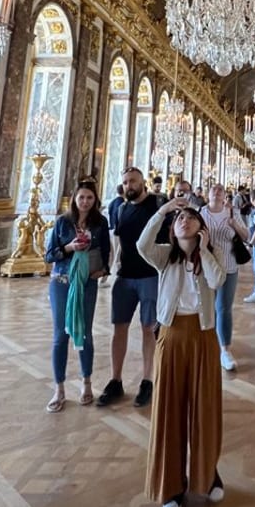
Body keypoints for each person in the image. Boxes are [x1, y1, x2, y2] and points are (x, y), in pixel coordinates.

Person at [136, 199, 226, 507]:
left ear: (201, 229)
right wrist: (162, 212)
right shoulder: (164, 257)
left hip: (203, 337)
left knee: (204, 407)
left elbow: (217, 281)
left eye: (191, 218)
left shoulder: (210, 257)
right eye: (180, 219)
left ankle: (207, 472)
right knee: (169, 408)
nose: (184, 221)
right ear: (173, 230)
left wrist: (203, 250)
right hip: (172, 336)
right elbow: (141, 244)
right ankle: (172, 484)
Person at [43, 180, 110, 413]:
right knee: (60, 336)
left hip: (87, 283)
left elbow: (106, 251)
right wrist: (70, 247)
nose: (85, 202)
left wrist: (104, 270)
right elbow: (49, 255)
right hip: (61, 282)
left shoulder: (100, 223)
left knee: (85, 333)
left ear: (95, 200)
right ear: (74, 199)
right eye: (81, 197)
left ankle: (86, 382)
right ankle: (59, 388)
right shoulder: (63, 222)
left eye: (89, 198)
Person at [97, 167, 161, 409]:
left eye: (133, 181)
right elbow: (117, 242)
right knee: (119, 328)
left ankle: (147, 379)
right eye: (125, 182)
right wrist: (110, 267)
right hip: (124, 277)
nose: (129, 185)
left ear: (143, 182)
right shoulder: (120, 207)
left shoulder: (157, 205)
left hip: (149, 277)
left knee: (148, 329)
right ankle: (116, 379)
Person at [201, 183, 249, 370]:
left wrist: (234, 224)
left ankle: (225, 349)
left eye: (220, 189)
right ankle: (208, 343)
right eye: (213, 189)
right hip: (206, 266)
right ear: (208, 194)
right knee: (206, 307)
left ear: (224, 195)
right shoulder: (200, 213)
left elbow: (246, 236)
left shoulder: (232, 213)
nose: (217, 191)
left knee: (223, 307)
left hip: (229, 266)